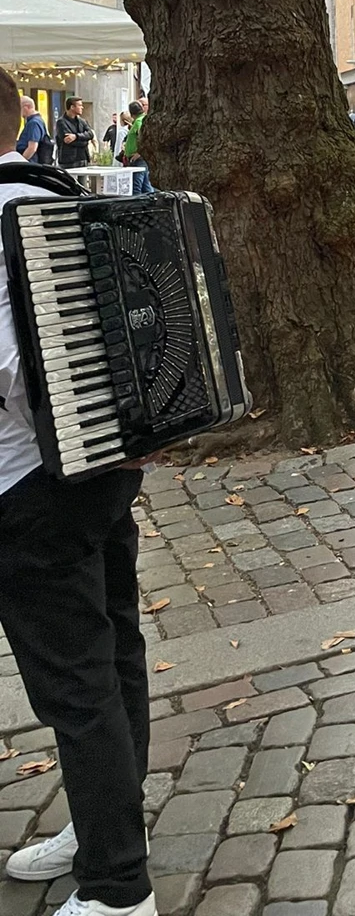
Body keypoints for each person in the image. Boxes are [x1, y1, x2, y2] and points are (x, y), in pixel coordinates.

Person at [0, 67, 155, 916]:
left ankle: (119, 888)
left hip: (26, 484)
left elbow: (16, 369)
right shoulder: (59, 193)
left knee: (74, 680)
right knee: (115, 646)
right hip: (104, 469)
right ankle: (109, 829)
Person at [119, 98, 153, 195]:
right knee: (146, 186)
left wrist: (139, 152)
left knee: (136, 187)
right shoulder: (140, 120)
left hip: (138, 159)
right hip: (137, 158)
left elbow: (145, 138)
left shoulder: (139, 122)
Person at [56, 99, 95, 171]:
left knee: (83, 181)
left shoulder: (82, 121)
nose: (82, 107)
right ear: (72, 107)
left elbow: (90, 134)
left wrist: (76, 136)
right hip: (68, 161)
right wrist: (84, 141)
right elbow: (67, 140)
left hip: (83, 158)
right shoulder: (61, 122)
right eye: (79, 105)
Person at [18, 98, 53, 166]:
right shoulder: (37, 121)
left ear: (26, 107)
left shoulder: (33, 123)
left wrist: (21, 162)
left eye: (19, 107)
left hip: (31, 162)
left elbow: (32, 148)